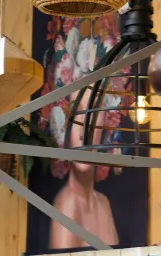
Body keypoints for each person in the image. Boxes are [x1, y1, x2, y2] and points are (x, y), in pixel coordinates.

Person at [48, 88, 119, 249]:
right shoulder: (68, 206)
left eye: (93, 113)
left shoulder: (103, 203)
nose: (83, 131)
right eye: (76, 112)